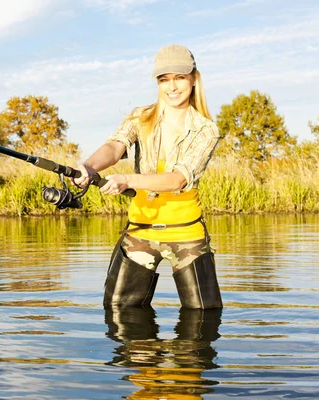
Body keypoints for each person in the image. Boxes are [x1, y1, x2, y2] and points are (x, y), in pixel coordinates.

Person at [74, 44, 222, 309]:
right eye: (164, 80)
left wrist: (128, 180)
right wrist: (89, 167)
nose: (172, 87)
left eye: (179, 77)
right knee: (118, 314)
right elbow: (115, 146)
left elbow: (177, 179)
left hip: (186, 234)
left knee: (203, 323)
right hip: (140, 232)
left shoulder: (206, 130)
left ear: (193, 79)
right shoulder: (140, 118)